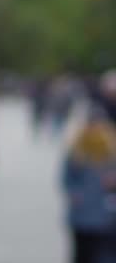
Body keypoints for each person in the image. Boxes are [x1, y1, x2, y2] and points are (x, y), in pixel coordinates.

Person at [63, 106, 116, 263]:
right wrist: (74, 192)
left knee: (102, 253)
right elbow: (66, 178)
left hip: (105, 213)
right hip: (82, 211)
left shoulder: (111, 149)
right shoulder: (76, 148)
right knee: (81, 252)